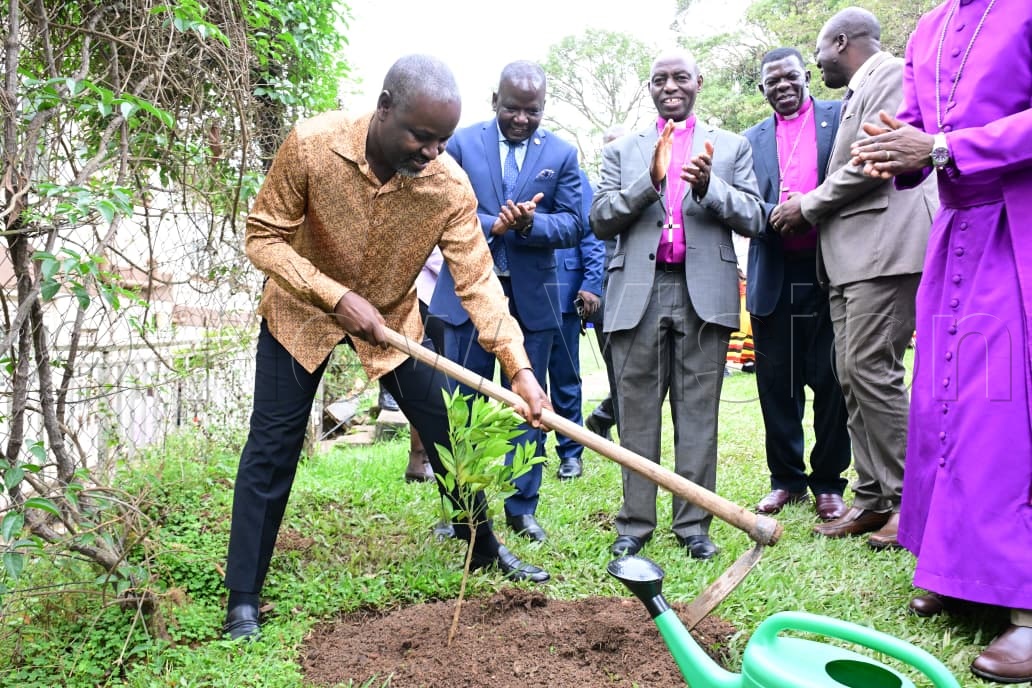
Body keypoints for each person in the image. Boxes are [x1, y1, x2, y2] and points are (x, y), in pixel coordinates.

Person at [223, 54, 552, 642]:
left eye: (442, 140)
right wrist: (333, 295)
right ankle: (243, 596)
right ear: (383, 108)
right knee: (271, 447)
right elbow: (261, 237)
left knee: (448, 436)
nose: (432, 152)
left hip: (394, 324)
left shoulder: (448, 186)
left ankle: (481, 550)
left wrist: (519, 369)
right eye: (421, 137)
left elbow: (477, 281)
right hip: (299, 312)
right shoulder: (311, 145)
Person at [849, 1, 1032, 681]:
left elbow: (950, 140)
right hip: (955, 233)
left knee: (1005, 411)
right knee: (945, 404)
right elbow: (926, 133)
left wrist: (946, 147)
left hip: (1018, 226)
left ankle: (1025, 608)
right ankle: (957, 569)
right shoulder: (929, 26)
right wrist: (897, 146)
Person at [770, 7, 937, 550]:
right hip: (852, 260)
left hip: (884, 251)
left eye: (819, 52)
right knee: (853, 375)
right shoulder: (855, 93)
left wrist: (808, 205)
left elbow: (874, 160)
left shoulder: (888, 73)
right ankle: (872, 497)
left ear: (840, 41)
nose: (818, 64)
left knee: (872, 370)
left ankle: (909, 501)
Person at [591, 48, 763, 560]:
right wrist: (649, 182)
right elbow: (600, 218)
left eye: (680, 77)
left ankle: (693, 526)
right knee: (636, 412)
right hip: (636, 295)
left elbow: (754, 216)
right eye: (660, 79)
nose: (670, 86)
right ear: (650, 87)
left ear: (698, 82)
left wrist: (710, 187)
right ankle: (635, 524)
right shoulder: (623, 150)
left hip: (702, 294)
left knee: (698, 414)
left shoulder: (729, 147)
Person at [428, 61, 581, 543]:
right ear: (495, 100)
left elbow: (577, 223)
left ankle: (522, 508)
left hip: (533, 301)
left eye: (532, 111)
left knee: (529, 407)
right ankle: (462, 513)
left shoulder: (562, 153)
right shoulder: (460, 144)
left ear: (543, 109)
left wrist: (530, 225)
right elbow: (433, 205)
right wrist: (495, 222)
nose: (521, 118)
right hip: (466, 298)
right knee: (462, 406)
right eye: (512, 108)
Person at [741, 47, 852, 522]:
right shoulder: (749, 140)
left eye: (790, 77)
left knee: (831, 382)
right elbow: (744, 202)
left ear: (805, 76)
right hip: (775, 273)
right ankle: (786, 480)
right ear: (762, 88)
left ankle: (829, 482)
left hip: (831, 270)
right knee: (777, 385)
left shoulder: (840, 116)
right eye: (772, 82)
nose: (782, 86)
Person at [546, 169, 604, 480]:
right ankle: (530, 451)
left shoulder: (570, 171)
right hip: (520, 290)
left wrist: (592, 282)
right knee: (520, 377)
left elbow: (591, 231)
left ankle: (570, 452)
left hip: (565, 289)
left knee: (565, 377)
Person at [584, 124, 629, 442]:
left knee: (644, 373)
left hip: (643, 292)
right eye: (609, 147)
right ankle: (622, 431)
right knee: (621, 372)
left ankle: (602, 416)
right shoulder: (594, 193)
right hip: (607, 295)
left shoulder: (651, 186)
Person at [402, 247, 444, 483]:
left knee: (424, 378)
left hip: (427, 296)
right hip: (430, 298)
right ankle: (423, 458)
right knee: (431, 382)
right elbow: (435, 254)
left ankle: (420, 459)